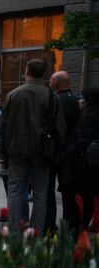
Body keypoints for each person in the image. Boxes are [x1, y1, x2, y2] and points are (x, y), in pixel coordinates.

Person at [0, 58, 66, 232]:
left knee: (15, 190)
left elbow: (4, 127)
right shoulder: (52, 96)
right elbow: (60, 128)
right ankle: (36, 230)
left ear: (27, 71)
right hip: (43, 151)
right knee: (40, 193)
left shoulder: (13, 95)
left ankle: (14, 229)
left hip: (17, 150)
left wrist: (2, 152)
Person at [48, 71, 82, 232]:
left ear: (57, 83)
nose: (49, 82)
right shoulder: (77, 101)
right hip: (72, 153)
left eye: (51, 80)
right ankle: (71, 225)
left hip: (56, 151)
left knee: (49, 190)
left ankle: (50, 224)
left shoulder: (55, 101)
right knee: (69, 192)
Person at [75, 88, 99, 230]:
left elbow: (82, 141)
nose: (79, 100)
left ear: (89, 100)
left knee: (85, 193)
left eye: (82, 98)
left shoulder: (87, 117)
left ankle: (85, 222)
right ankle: (95, 220)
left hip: (88, 161)